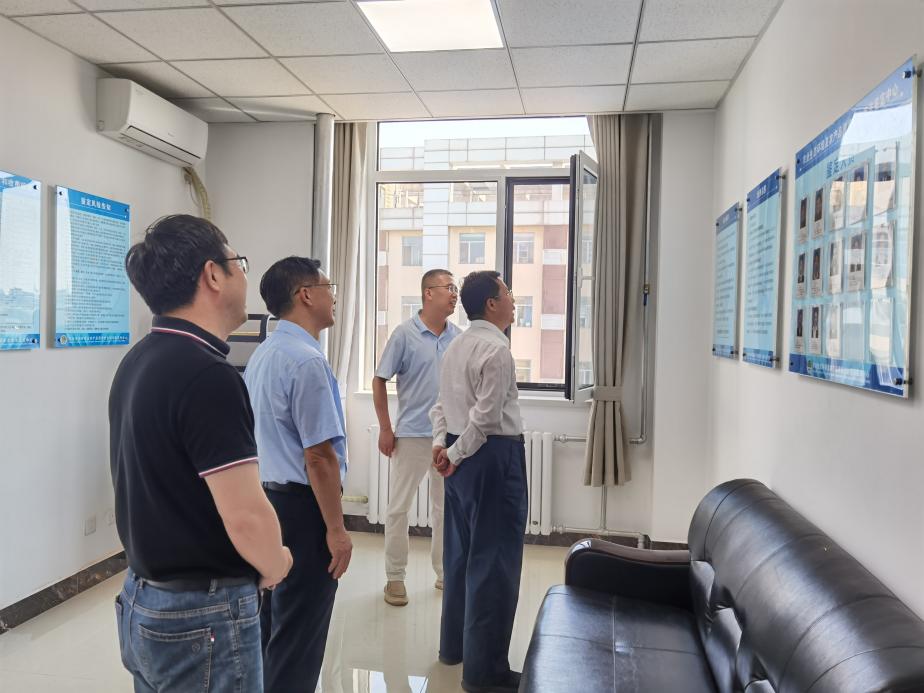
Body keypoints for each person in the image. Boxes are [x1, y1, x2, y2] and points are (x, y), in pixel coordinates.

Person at [110, 214, 292, 693]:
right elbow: (245, 515)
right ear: (213, 274)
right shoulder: (208, 375)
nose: (244, 276)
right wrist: (277, 563)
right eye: (239, 263)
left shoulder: (139, 359)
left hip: (144, 600)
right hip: (201, 616)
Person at [244, 256, 352, 692]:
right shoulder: (306, 361)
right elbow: (319, 457)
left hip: (269, 500)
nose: (333, 296)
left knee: (273, 623)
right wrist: (337, 530)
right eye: (329, 287)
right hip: (305, 511)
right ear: (306, 295)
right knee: (300, 632)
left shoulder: (264, 353)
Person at [430, 270, 527, 693]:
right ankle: (485, 673)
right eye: (507, 293)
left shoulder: (455, 345)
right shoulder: (497, 350)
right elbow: (486, 420)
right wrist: (452, 454)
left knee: (460, 555)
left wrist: (443, 448)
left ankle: (453, 648)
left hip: (459, 456)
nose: (512, 299)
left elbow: (440, 407)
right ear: (491, 303)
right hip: (492, 459)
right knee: (494, 564)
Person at [374, 269, 461, 606]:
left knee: (445, 511)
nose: (454, 294)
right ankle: (395, 578)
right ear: (428, 293)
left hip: (448, 439)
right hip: (411, 435)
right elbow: (379, 379)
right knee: (399, 509)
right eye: (448, 287)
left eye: (456, 288)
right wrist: (385, 428)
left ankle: (445, 573)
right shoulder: (404, 334)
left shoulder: (458, 337)